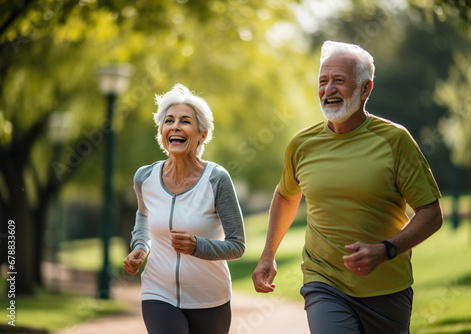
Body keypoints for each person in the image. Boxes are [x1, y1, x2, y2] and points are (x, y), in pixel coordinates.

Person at [252, 41, 443, 333]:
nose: (328, 89)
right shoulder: (302, 144)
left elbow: (431, 213)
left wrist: (385, 251)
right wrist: (268, 254)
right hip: (324, 282)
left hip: (388, 288)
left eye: (339, 81)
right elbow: (286, 194)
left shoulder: (395, 141)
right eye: (323, 81)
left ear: (366, 89)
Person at [124, 84, 246, 334]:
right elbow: (144, 216)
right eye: (169, 121)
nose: (175, 126)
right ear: (162, 132)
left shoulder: (217, 179)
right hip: (158, 292)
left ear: (202, 134)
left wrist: (197, 246)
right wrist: (140, 245)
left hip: (209, 298)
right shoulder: (145, 177)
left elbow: (237, 245)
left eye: (185, 121)